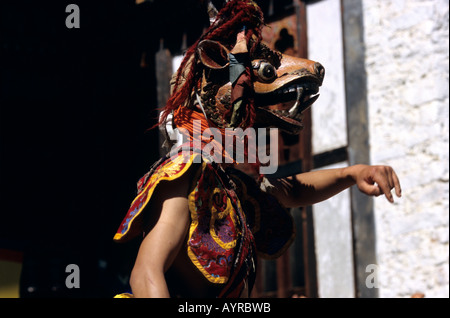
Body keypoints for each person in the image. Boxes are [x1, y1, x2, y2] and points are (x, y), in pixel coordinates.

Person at [113, 0, 401, 298]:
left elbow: (292, 192)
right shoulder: (181, 174)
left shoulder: (231, 184)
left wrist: (353, 173)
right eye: (263, 71)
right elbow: (147, 274)